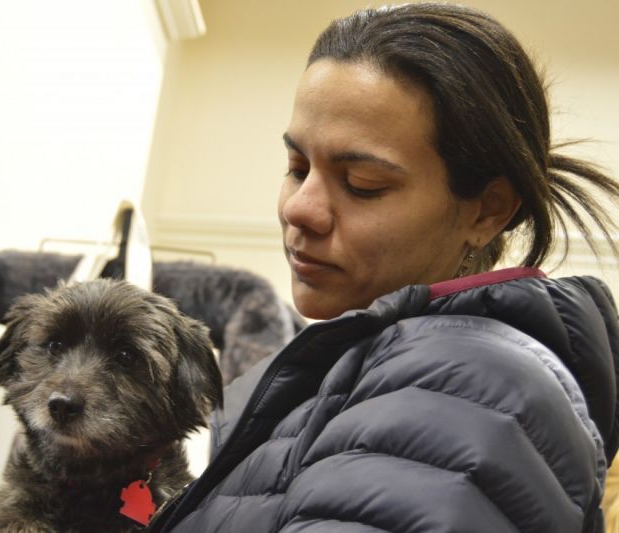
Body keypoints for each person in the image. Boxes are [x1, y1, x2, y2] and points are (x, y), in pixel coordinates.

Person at [150, 3, 619, 532]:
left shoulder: (466, 392)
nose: (299, 207)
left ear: (487, 209)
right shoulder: (380, 377)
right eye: (296, 167)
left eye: (362, 185)